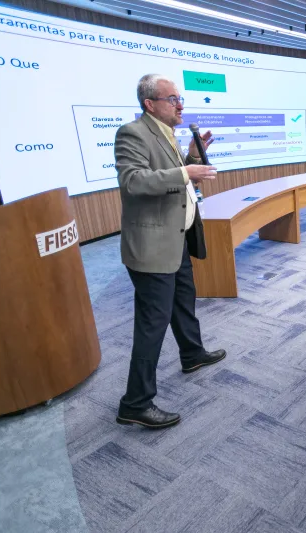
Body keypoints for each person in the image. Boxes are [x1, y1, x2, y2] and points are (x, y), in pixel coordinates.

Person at [114, 74, 227, 429]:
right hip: (151, 245)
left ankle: (192, 353)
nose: (181, 105)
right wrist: (185, 170)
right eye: (173, 99)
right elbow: (133, 181)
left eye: (180, 99)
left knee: (183, 298)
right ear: (150, 104)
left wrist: (190, 157)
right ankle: (135, 402)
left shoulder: (167, 134)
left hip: (175, 237)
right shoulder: (132, 133)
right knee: (152, 323)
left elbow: (172, 172)